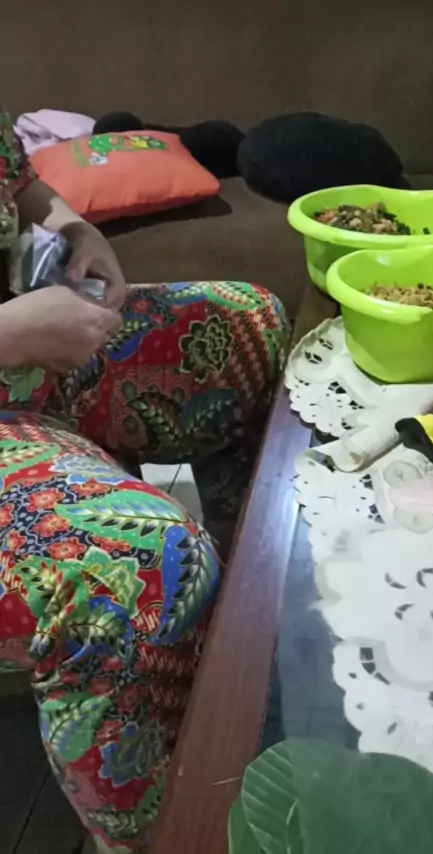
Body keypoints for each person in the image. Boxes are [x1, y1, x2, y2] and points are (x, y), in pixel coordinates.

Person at [0, 110, 289, 853]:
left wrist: (74, 228)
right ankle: (150, 835)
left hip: (21, 359)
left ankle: (233, 652)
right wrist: (12, 333)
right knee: (139, 572)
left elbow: (20, 182)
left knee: (248, 325)